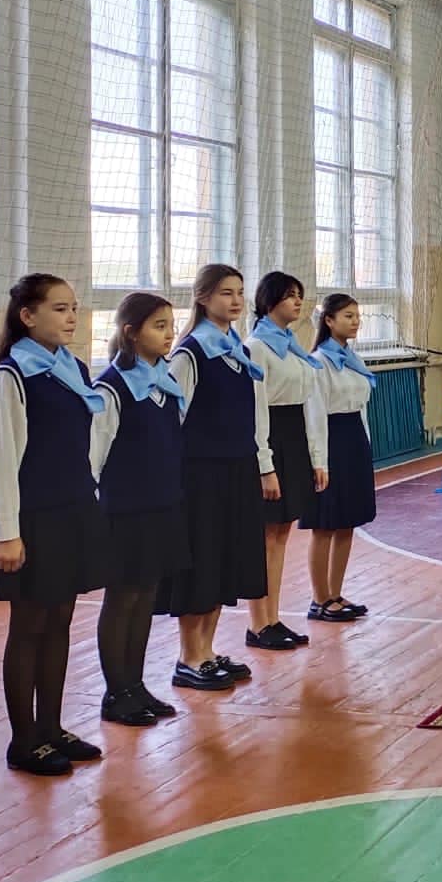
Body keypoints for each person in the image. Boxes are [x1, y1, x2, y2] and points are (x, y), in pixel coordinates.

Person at [0, 274, 107, 775]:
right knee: (29, 627)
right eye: (59, 308)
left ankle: (51, 728)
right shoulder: (12, 377)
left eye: (74, 307)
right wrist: (7, 532)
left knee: (60, 622)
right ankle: (23, 741)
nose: (71, 317)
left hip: (72, 511)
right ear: (27, 316)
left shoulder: (74, 368)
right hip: (32, 519)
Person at [158, 263, 268, 691]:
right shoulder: (190, 353)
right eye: (226, 293)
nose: (236, 300)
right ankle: (189, 655)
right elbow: (172, 418)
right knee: (201, 561)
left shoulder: (238, 351)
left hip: (237, 468)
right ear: (203, 298)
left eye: (240, 292)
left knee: (224, 559)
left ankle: (207, 649)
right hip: (200, 474)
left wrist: (261, 463)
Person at [91, 291, 188, 727]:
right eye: (158, 326)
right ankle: (116, 692)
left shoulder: (165, 383)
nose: (169, 335)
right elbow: (93, 458)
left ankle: (135, 685)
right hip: (125, 511)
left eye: (171, 325)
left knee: (146, 594)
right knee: (122, 597)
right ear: (131, 333)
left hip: (162, 505)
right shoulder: (110, 388)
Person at [243, 271, 329, 652]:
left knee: (281, 536)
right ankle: (258, 623)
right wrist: (265, 464)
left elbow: (308, 403)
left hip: (293, 439)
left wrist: (316, 457)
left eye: (300, 295)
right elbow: (257, 410)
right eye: (290, 295)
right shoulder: (256, 348)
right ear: (269, 300)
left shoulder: (293, 347)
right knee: (265, 537)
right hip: (271, 439)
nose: (298, 302)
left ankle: (273, 617)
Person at [304, 293, 378, 623]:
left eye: (357, 315)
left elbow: (361, 408)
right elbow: (315, 414)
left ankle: (335, 593)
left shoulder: (353, 359)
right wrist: (319, 461)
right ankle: (319, 599)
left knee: (347, 521)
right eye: (348, 315)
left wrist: (366, 446)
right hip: (331, 440)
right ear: (329, 320)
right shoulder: (319, 362)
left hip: (354, 440)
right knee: (324, 524)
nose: (355, 321)